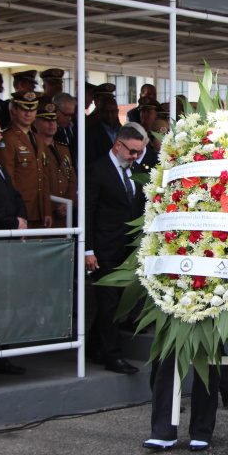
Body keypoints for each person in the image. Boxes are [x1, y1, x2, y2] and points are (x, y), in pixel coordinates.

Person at [84, 125, 146, 375]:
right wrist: (88, 250)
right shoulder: (97, 170)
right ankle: (113, 356)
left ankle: (94, 347)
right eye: (132, 151)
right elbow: (87, 213)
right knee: (109, 304)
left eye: (139, 152)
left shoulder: (138, 171)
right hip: (104, 248)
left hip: (128, 249)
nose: (135, 157)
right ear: (118, 145)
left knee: (118, 302)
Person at [0, 92, 53, 229]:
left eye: (32, 110)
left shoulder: (37, 139)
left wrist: (47, 210)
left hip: (39, 211)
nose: (28, 114)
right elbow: (7, 178)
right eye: (24, 109)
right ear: (14, 110)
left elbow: (44, 176)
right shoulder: (7, 138)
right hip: (21, 210)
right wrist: (15, 211)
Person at [33, 102, 77, 226]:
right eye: (46, 120)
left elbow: (72, 178)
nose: (52, 124)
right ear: (36, 124)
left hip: (64, 214)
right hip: (45, 213)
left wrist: (67, 202)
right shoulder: (34, 149)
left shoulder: (63, 148)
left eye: (54, 120)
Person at [84, 95, 120, 166]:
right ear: (99, 112)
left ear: (117, 112)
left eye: (112, 112)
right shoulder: (90, 133)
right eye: (105, 112)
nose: (109, 115)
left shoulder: (122, 131)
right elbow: (91, 161)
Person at [52, 93, 79, 167]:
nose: (69, 118)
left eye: (71, 115)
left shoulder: (73, 128)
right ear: (56, 110)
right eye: (65, 114)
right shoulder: (49, 130)